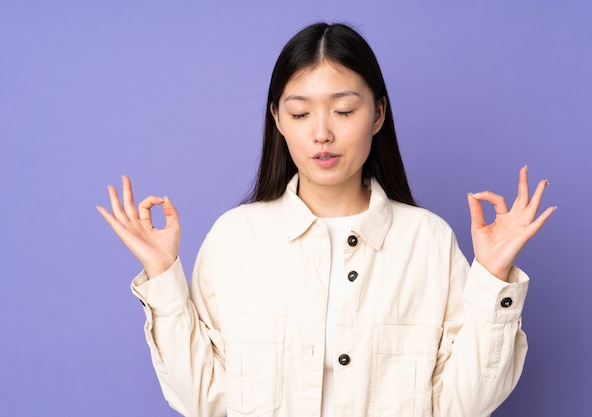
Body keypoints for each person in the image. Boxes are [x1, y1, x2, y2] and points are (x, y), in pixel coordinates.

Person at [97, 22, 555, 417]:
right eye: (300, 112)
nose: (322, 133)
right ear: (277, 118)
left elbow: (465, 405)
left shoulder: (428, 241)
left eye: (343, 110)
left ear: (377, 114)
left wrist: (493, 277)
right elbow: (201, 399)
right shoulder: (236, 238)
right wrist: (162, 278)